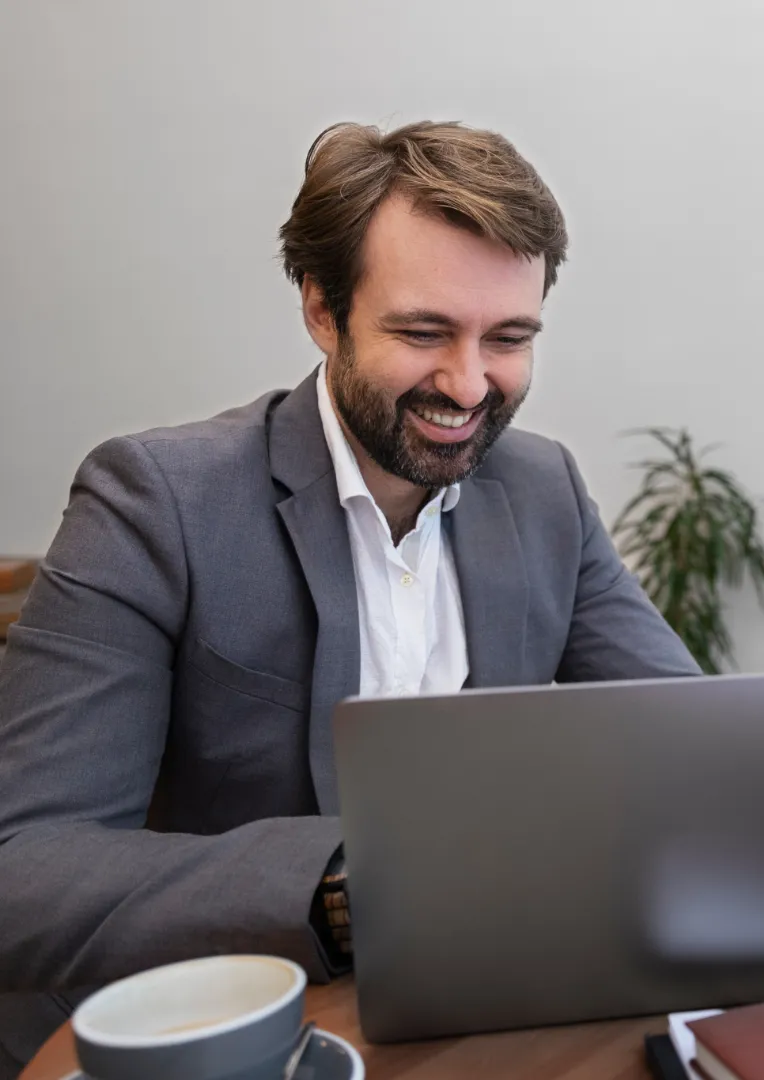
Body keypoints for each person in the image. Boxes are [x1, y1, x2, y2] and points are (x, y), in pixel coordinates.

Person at [0, 120, 698, 1075]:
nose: (467, 382)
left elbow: (697, 744)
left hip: (478, 1017)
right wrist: (339, 881)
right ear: (322, 311)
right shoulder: (155, 501)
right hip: (228, 1034)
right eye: (423, 333)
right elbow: (23, 870)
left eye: (508, 338)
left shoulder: (544, 494)